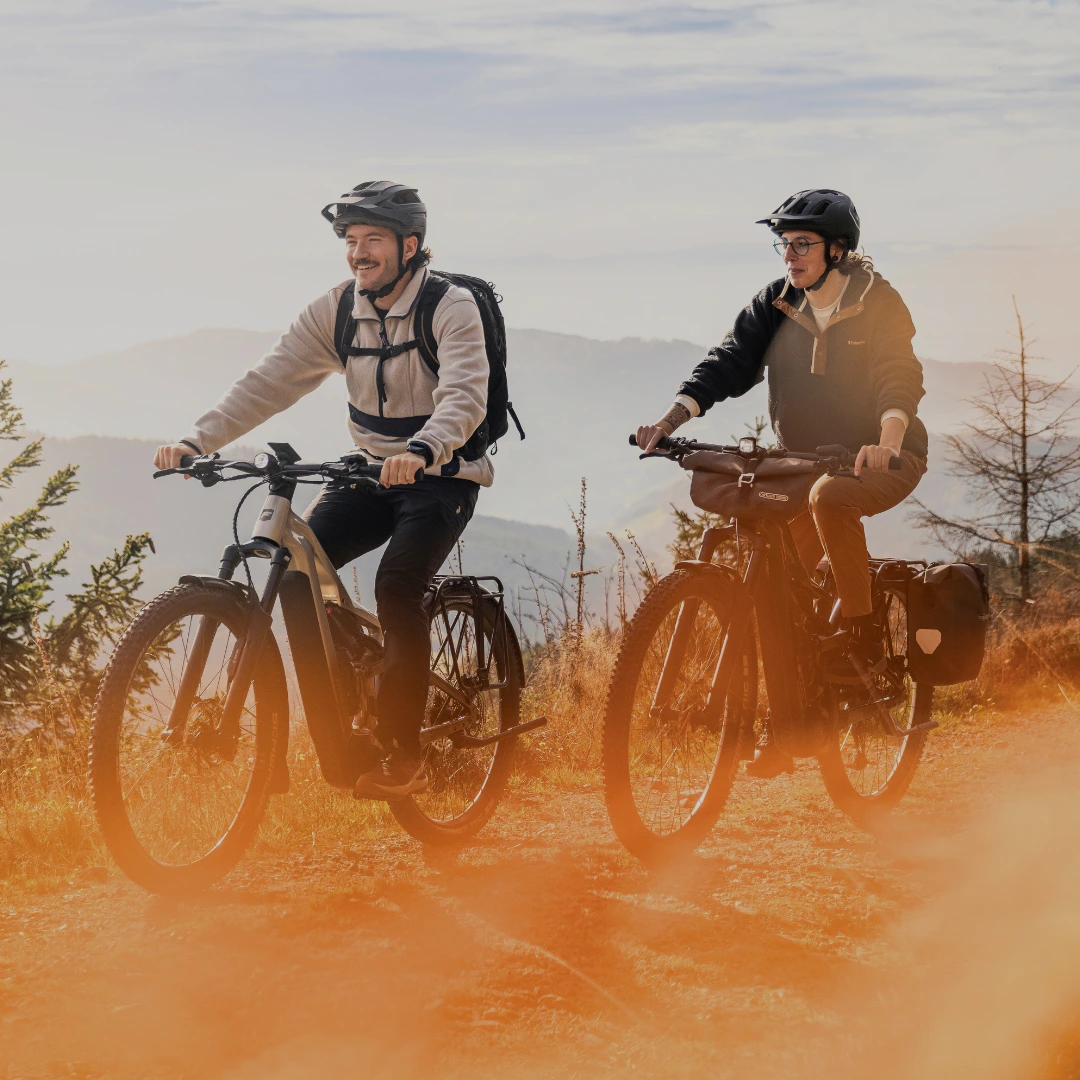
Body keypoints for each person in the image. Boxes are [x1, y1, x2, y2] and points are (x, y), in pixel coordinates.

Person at [154, 181, 491, 799]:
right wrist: (198, 439)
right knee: (292, 575)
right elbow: (270, 380)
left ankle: (406, 752)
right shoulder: (337, 310)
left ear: (410, 246)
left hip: (443, 476)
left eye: (374, 241)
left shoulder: (451, 306)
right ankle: (345, 740)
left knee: (397, 585)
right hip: (367, 470)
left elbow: (467, 396)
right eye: (352, 241)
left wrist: (422, 450)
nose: (359, 254)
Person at [637, 188, 928, 779]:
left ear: (838, 250)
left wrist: (889, 440)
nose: (789, 255)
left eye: (803, 244)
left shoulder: (879, 302)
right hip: (800, 462)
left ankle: (862, 633)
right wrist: (671, 418)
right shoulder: (777, 302)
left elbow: (899, 373)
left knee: (831, 499)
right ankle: (792, 720)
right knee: (784, 594)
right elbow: (729, 361)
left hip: (878, 459)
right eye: (783, 243)